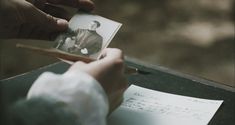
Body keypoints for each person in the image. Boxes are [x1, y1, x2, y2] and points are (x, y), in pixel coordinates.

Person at [0, 0, 128, 125]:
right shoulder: (79, 30)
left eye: (94, 26)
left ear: (96, 27)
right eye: (91, 24)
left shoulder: (98, 38)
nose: (91, 26)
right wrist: (83, 94)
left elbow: (95, 47)